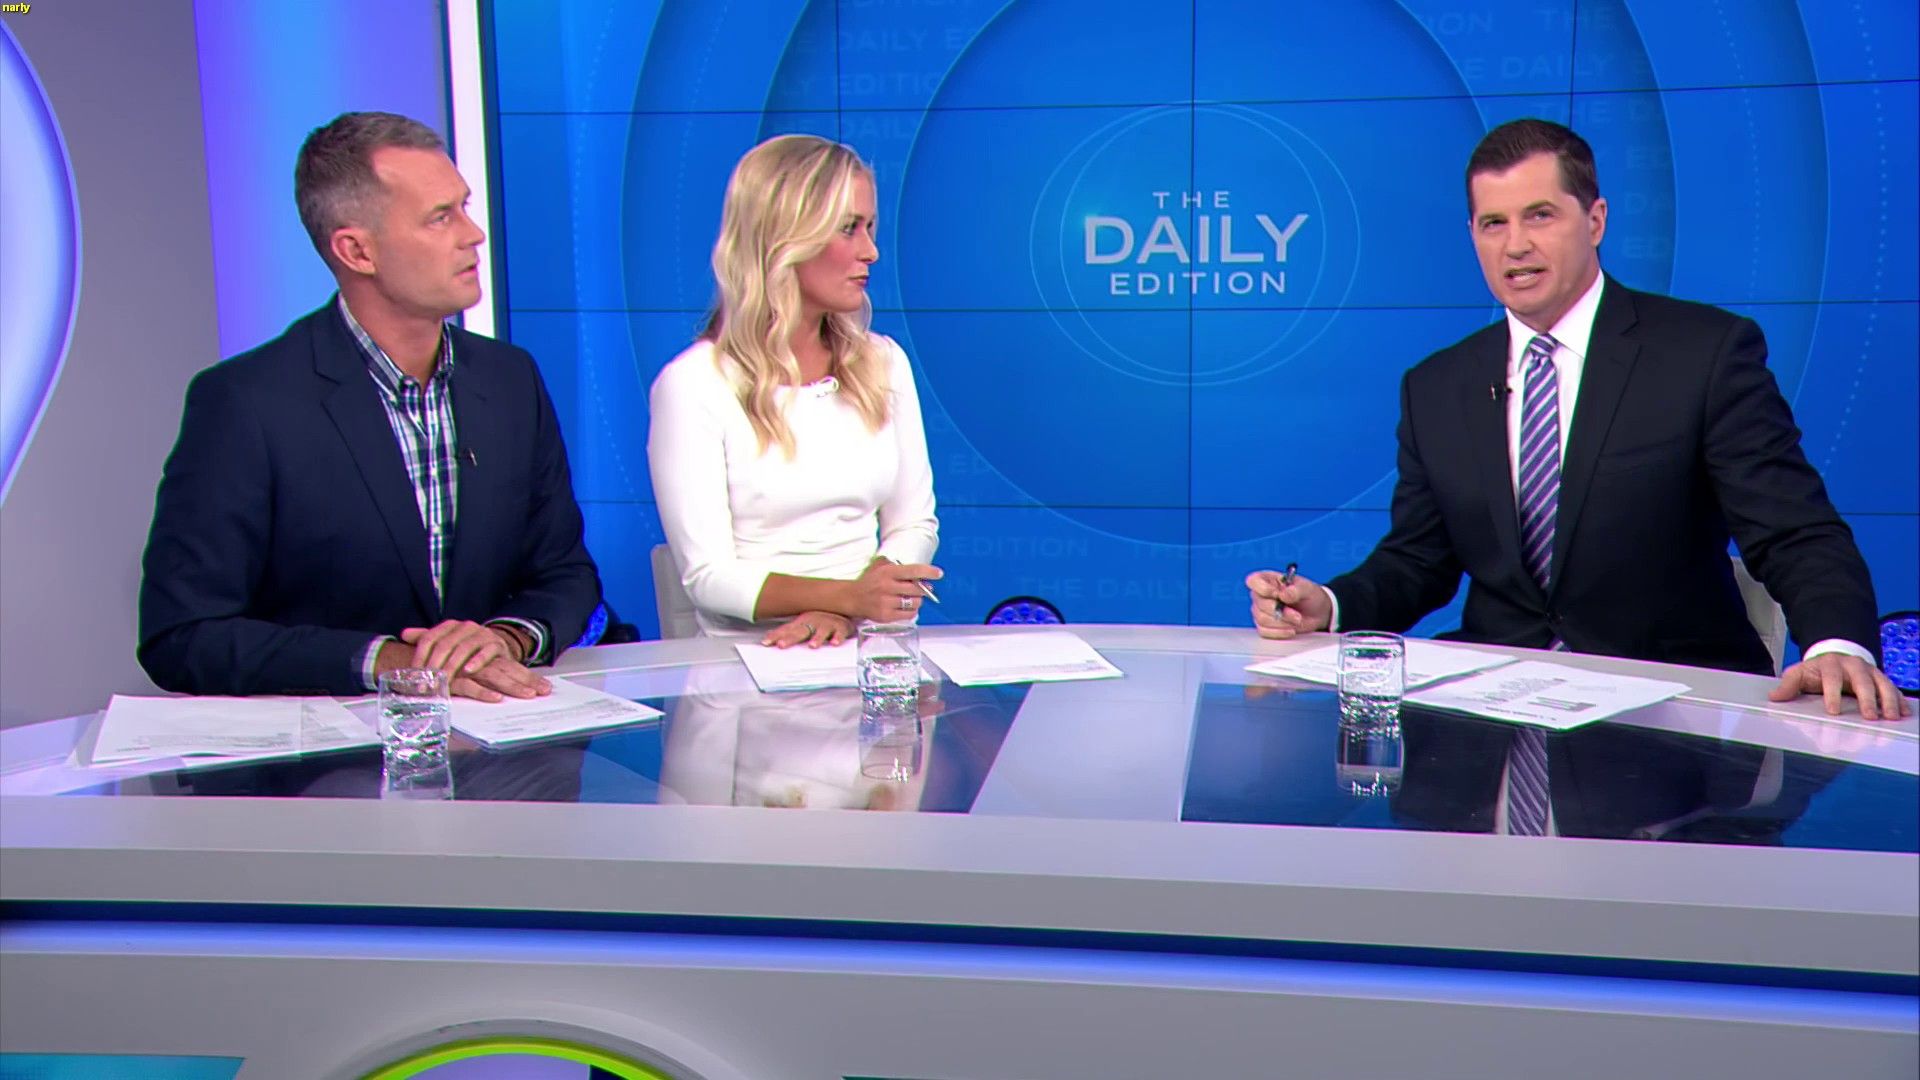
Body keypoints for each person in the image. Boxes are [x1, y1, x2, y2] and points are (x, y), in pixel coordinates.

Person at [1246, 118, 1906, 721]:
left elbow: (1793, 530)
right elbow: (1418, 560)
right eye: (1493, 223)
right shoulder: (1436, 386)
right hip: (1493, 708)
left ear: (1595, 220)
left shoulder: (1703, 356)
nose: (1516, 246)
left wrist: (1836, 643)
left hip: (1668, 713)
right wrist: (1329, 606)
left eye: (1540, 215)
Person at [139, 111, 601, 700]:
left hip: (499, 732)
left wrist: (505, 639)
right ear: (357, 251)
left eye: (463, 207)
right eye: (440, 217)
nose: (473, 235)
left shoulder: (510, 379)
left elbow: (565, 573)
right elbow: (183, 635)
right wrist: (388, 660)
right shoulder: (246, 403)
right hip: (333, 747)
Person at [648, 134, 940, 645]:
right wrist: (845, 599)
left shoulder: (883, 363)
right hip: (751, 659)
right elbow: (708, 577)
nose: (870, 251)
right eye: (847, 228)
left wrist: (854, 609)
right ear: (784, 237)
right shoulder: (694, 384)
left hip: (874, 647)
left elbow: (915, 524)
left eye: (870, 227)